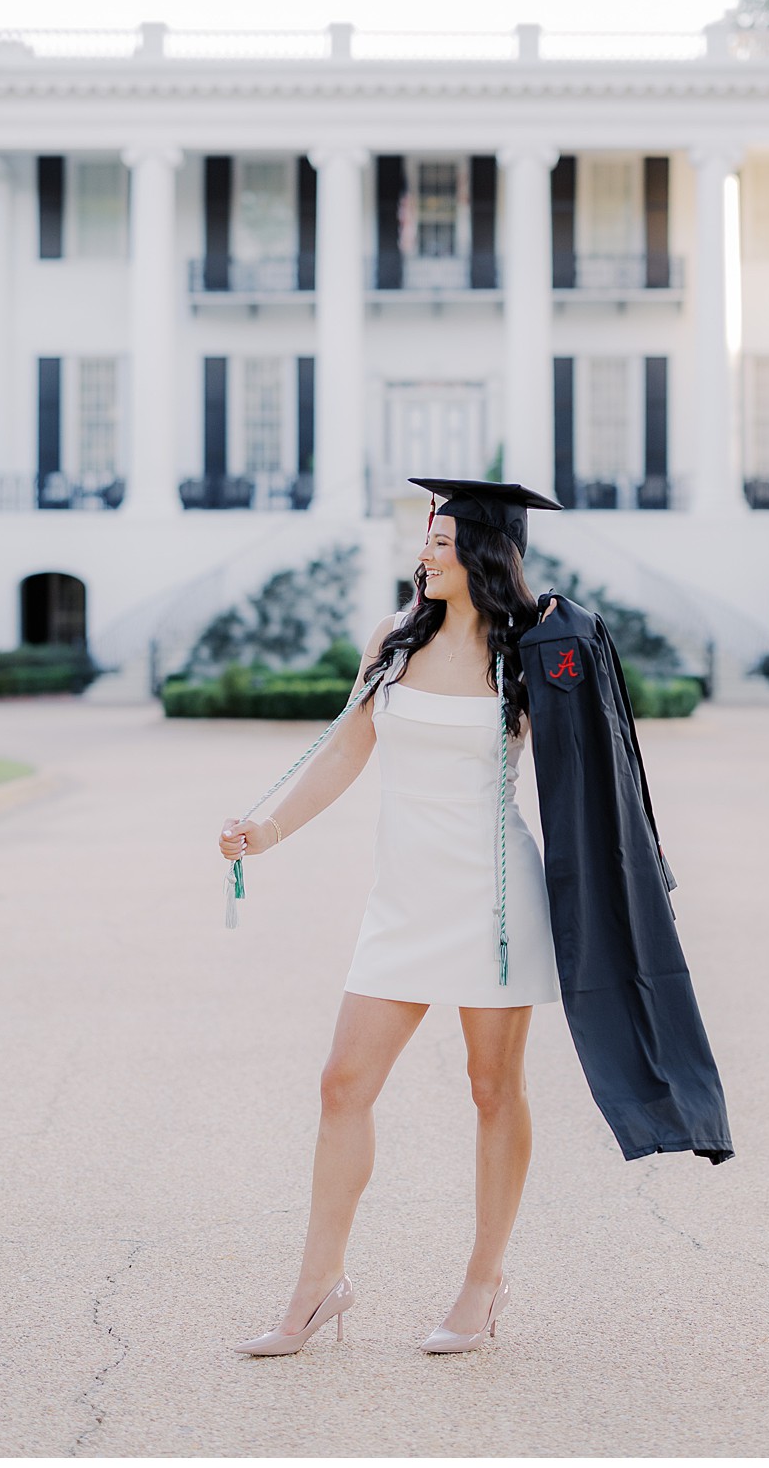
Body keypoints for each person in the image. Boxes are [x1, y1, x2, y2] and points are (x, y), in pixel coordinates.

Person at [218, 481, 565, 1357]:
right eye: (427, 538)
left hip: (494, 904)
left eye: (446, 541)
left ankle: (484, 1284)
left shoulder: (529, 651)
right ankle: (317, 1288)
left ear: (486, 552)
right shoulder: (392, 642)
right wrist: (268, 829)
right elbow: (345, 750)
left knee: (494, 1091)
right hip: (402, 902)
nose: (428, 552)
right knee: (343, 1083)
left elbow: (586, 780)